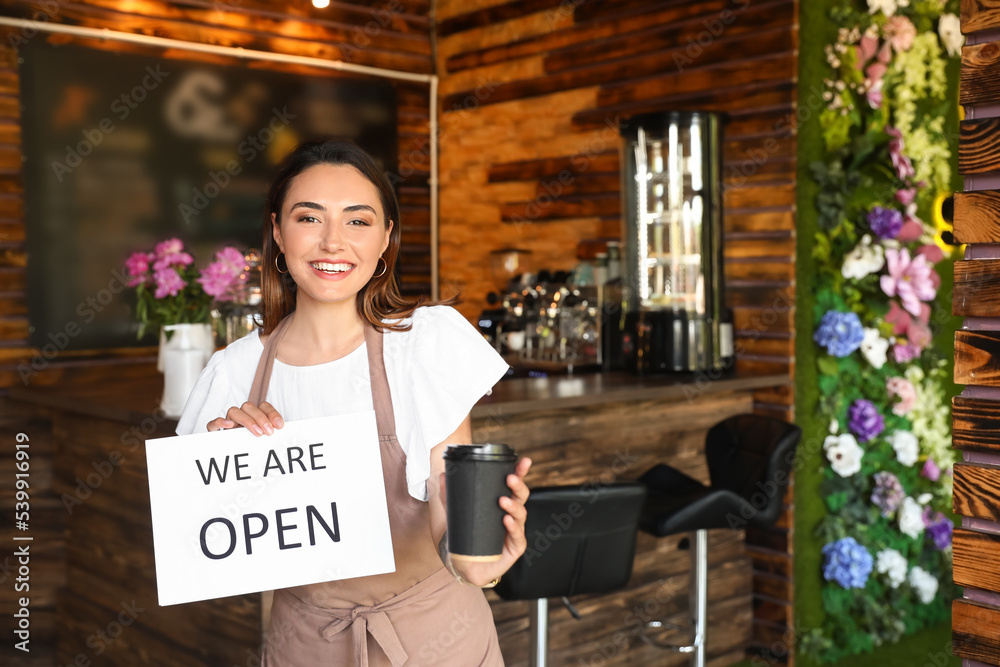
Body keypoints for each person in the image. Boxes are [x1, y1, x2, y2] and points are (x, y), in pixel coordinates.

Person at [175, 140, 532, 666]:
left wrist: (477, 561)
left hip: (439, 641)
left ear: (387, 238)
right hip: (303, 644)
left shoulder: (424, 346)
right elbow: (204, 548)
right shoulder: (234, 371)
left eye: (358, 221)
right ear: (278, 231)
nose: (332, 242)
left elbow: (445, 503)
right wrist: (228, 471)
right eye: (309, 217)